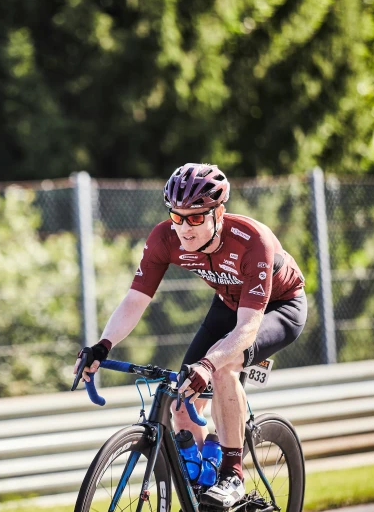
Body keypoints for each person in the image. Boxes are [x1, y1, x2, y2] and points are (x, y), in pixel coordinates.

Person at [73, 163, 307, 509]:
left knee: (223, 367)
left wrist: (209, 364)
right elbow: (135, 299)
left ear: (219, 213)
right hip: (227, 303)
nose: (183, 227)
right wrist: (103, 345)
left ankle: (232, 475)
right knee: (183, 405)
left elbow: (248, 327)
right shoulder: (164, 237)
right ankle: (203, 482)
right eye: (176, 216)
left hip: (277, 308)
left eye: (195, 218)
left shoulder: (252, 240)